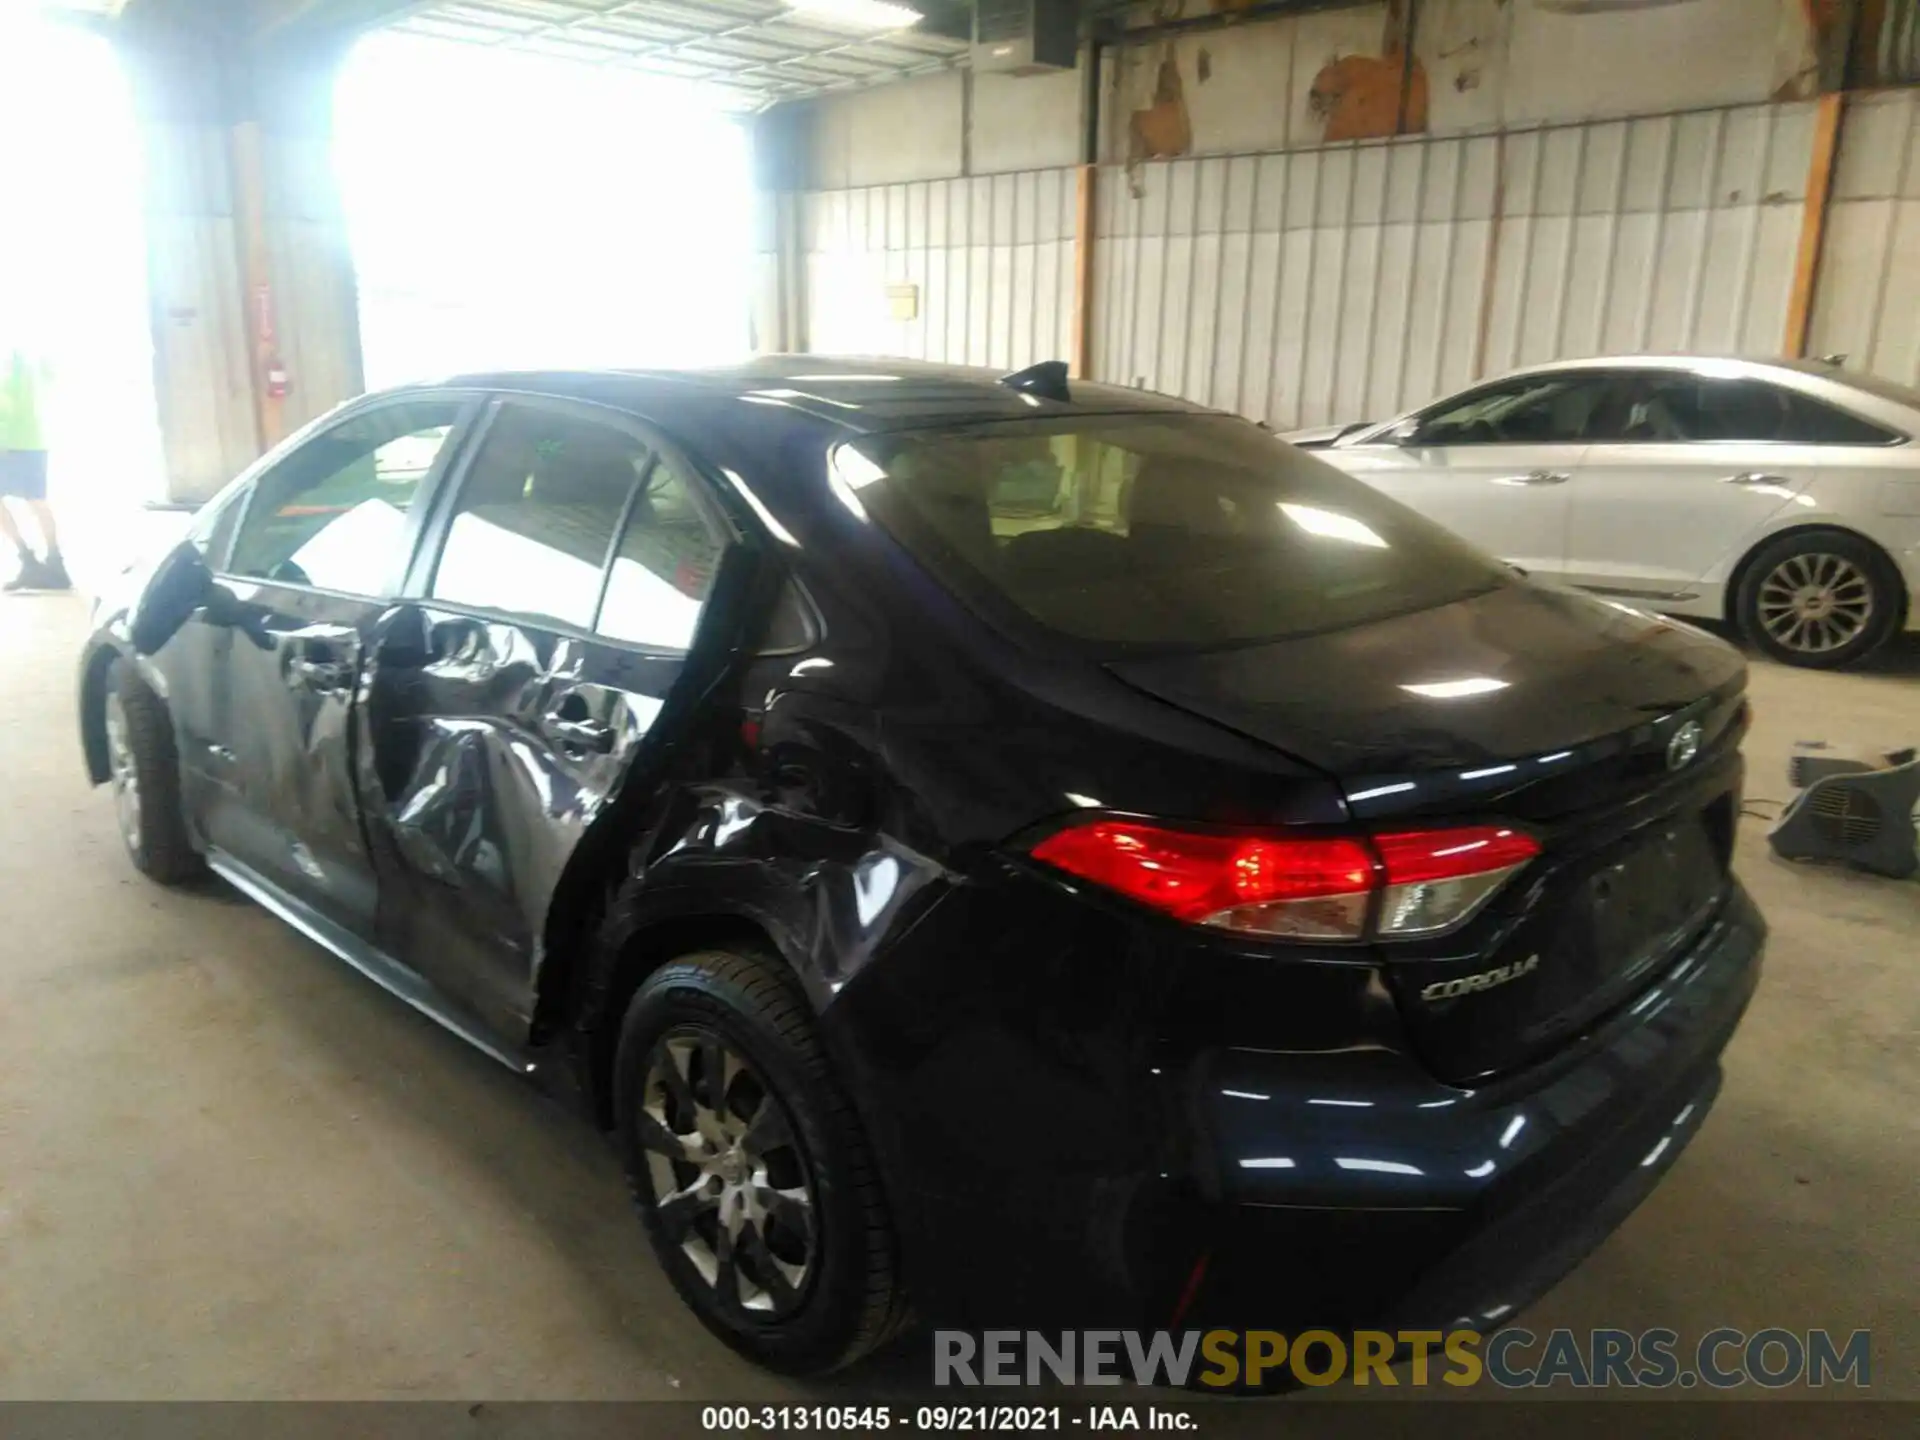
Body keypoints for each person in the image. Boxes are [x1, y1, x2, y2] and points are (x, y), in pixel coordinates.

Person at [0, 343, 67, 591]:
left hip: (12, 443)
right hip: (35, 439)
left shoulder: (11, 363)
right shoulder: (35, 358)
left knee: (34, 501)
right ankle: (54, 563)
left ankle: (29, 560)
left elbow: (5, 404)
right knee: (37, 500)